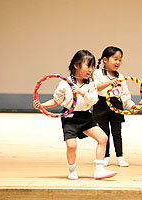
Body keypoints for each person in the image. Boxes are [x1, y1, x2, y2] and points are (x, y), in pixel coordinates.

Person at [33, 50, 117, 180]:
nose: (90, 70)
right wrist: (42, 105)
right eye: (87, 66)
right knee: (71, 146)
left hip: (86, 117)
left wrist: (82, 93)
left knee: (103, 138)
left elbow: (94, 100)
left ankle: (99, 170)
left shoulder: (91, 82)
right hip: (70, 118)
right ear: (76, 66)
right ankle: (72, 170)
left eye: (92, 67)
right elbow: (56, 100)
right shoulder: (65, 82)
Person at [92, 46, 136, 167]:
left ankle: (119, 157)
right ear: (105, 60)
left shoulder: (120, 76)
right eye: (115, 59)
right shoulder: (97, 73)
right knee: (104, 134)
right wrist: (109, 83)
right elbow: (95, 88)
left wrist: (131, 106)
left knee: (117, 133)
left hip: (116, 105)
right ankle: (105, 156)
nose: (118, 62)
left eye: (120, 59)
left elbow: (125, 94)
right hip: (101, 105)